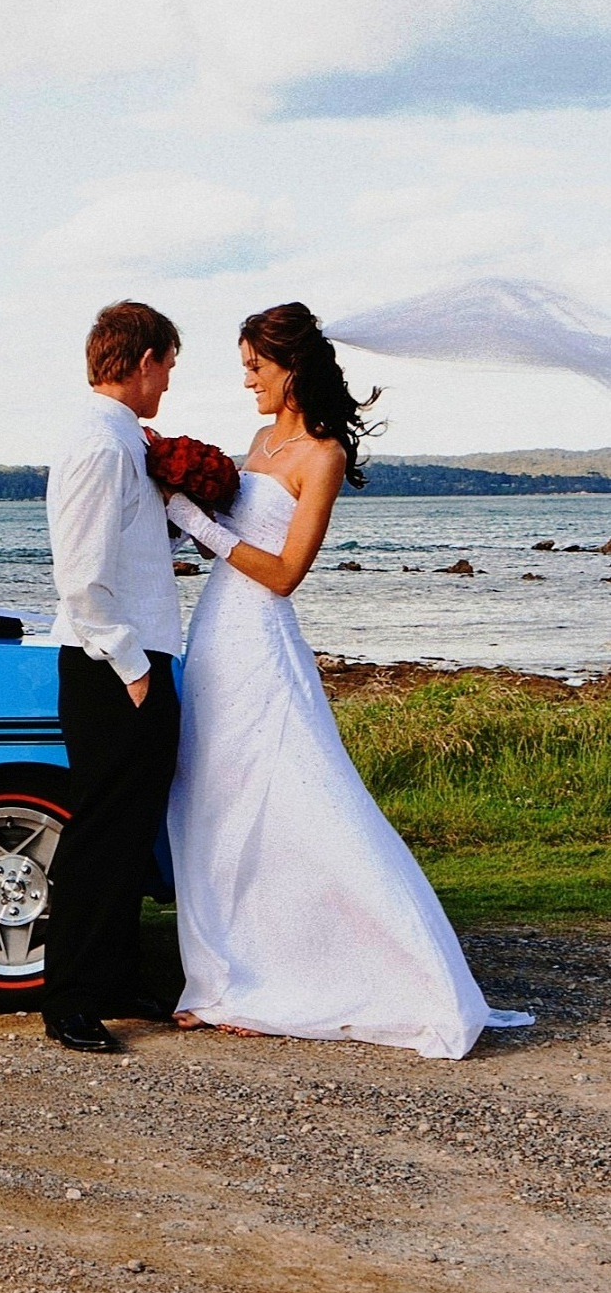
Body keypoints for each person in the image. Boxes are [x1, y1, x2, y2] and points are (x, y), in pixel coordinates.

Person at [160, 303, 533, 1058]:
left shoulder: (322, 454)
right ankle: (228, 972)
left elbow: (284, 573)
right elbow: (234, 545)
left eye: (256, 368)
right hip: (214, 633)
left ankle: (377, 976)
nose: (247, 381)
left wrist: (199, 524)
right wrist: (186, 513)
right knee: (211, 802)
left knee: (297, 803)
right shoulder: (260, 442)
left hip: (260, 641)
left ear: (291, 367)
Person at [42, 301, 186, 1055]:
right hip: (112, 666)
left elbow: (130, 553)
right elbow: (81, 576)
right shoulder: (99, 444)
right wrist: (132, 668)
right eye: (167, 366)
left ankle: (118, 976)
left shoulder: (125, 440)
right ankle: (68, 997)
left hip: (135, 657)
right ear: (142, 361)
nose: (167, 382)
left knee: (132, 834)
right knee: (100, 834)